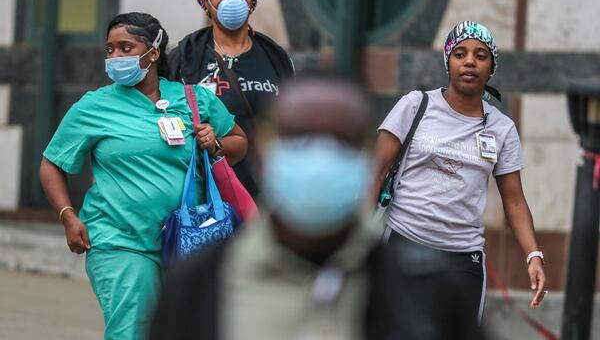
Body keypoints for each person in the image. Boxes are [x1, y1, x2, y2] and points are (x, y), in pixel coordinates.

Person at [149, 75, 486, 340]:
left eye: (343, 141)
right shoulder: (200, 283)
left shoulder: (424, 290)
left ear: (368, 160)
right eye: (299, 138)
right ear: (263, 157)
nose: (321, 157)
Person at [39, 12, 247, 340]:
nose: (115, 57)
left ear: (153, 52)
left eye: (125, 48)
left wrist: (215, 142)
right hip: (120, 239)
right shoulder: (92, 107)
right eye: (109, 50)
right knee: (132, 330)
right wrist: (67, 215)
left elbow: (239, 142)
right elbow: (52, 163)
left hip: (188, 241)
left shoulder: (193, 98)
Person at [372, 21, 547, 324]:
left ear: (491, 67)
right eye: (460, 53)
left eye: (481, 56)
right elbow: (374, 172)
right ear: (448, 61)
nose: (469, 61)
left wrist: (534, 255)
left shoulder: (501, 128)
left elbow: (515, 201)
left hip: (463, 259)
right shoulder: (416, 105)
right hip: (401, 243)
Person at [167, 0, 295, 198]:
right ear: (205, 1)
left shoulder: (276, 58)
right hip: (204, 193)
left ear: (252, 0)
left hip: (266, 194)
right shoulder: (185, 57)